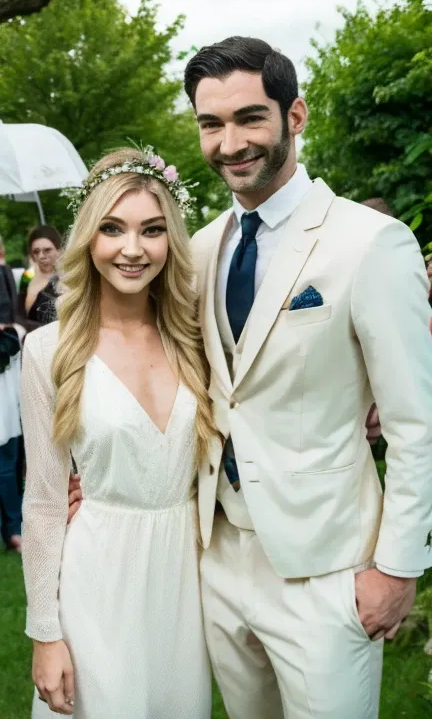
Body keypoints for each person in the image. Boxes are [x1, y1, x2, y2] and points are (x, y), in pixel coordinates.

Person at [181, 37, 430, 719]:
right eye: (211, 124)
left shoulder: (368, 243)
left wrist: (397, 568)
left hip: (328, 568)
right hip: (220, 558)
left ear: (295, 116)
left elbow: (416, 423)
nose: (231, 142)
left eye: (249, 118)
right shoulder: (201, 250)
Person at [21, 147, 220, 718]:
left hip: (185, 582)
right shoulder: (50, 349)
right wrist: (45, 632)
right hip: (97, 579)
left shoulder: (197, 339)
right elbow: (42, 500)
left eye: (152, 230)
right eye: (113, 228)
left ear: (170, 240)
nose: (133, 249)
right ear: (89, 237)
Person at [0, 235, 25, 552]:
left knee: (7, 455)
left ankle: (14, 526)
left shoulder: (6, 273)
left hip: (5, 375)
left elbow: (11, 319)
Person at [18, 225, 61, 330]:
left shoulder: (68, 279)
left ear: (59, 250)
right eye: (36, 252)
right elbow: (19, 314)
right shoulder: (27, 278)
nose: (41, 256)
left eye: (47, 250)